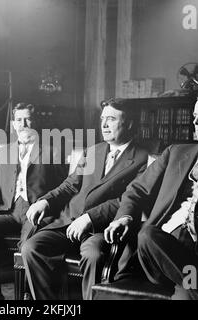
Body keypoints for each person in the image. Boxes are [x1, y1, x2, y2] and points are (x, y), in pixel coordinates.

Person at [105, 89, 198, 299]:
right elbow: (137, 190)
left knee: (186, 293)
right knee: (148, 234)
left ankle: (197, 286)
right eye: (194, 116)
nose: (196, 122)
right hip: (155, 249)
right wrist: (124, 217)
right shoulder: (175, 152)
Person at [21, 98, 150, 300]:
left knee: (94, 256)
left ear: (130, 123)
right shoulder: (94, 151)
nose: (104, 125)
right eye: (102, 119)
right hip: (68, 221)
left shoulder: (143, 157)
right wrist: (44, 201)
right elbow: (70, 185)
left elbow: (127, 199)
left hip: (102, 228)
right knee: (32, 247)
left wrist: (89, 218)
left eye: (111, 119)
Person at [0, 102, 67, 300]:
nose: (23, 123)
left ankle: (27, 294)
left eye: (28, 118)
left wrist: (46, 204)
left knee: (27, 244)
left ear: (35, 121)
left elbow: (64, 185)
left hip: (36, 212)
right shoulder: (2, 150)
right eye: (19, 120)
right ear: (13, 124)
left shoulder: (52, 149)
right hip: (10, 210)